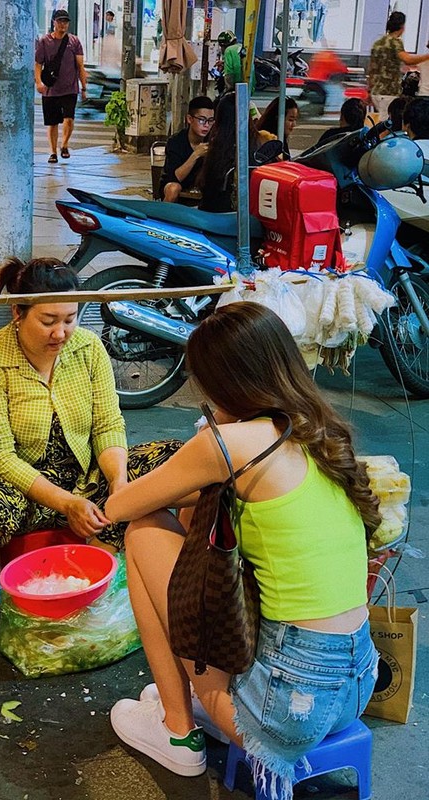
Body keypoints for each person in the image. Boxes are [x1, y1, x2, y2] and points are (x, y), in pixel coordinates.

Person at [104, 303, 380, 798]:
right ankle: (192, 701)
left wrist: (118, 468)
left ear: (219, 383)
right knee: (191, 515)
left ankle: (176, 729)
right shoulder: (318, 428)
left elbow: (123, 505)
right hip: (354, 685)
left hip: (285, 712)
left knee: (144, 530)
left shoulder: (228, 443)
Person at [0, 257, 183, 600]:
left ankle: (102, 561)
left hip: (85, 480)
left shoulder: (88, 349)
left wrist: (119, 483)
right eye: (48, 321)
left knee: (176, 461)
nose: (61, 333)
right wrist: (66, 504)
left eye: (70, 319)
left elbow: (107, 424)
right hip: (20, 493)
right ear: (18, 312)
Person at [35, 9, 88, 164]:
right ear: (54, 22)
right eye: (60, 21)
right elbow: (38, 64)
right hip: (51, 89)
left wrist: (84, 87)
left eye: (65, 21)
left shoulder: (74, 41)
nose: (63, 24)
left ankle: (64, 145)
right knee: (52, 123)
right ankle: (52, 152)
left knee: (69, 119)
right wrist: (38, 82)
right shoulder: (44, 41)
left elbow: (80, 66)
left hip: (70, 88)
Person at [198, 93, 265, 213]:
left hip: (213, 217)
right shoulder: (256, 145)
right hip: (245, 217)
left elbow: (206, 187)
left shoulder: (216, 147)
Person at [369, 11, 429, 120]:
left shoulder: (378, 43)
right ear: (402, 26)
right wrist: (426, 56)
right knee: (386, 124)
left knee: (382, 121)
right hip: (388, 91)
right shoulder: (395, 42)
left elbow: (371, 69)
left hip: (376, 91)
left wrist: (370, 89)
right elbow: (408, 60)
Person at [159, 96, 214, 203]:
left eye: (210, 121)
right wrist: (195, 155)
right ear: (190, 119)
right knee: (173, 188)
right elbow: (175, 178)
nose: (206, 125)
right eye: (202, 120)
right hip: (176, 183)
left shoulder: (213, 140)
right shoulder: (176, 142)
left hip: (202, 188)